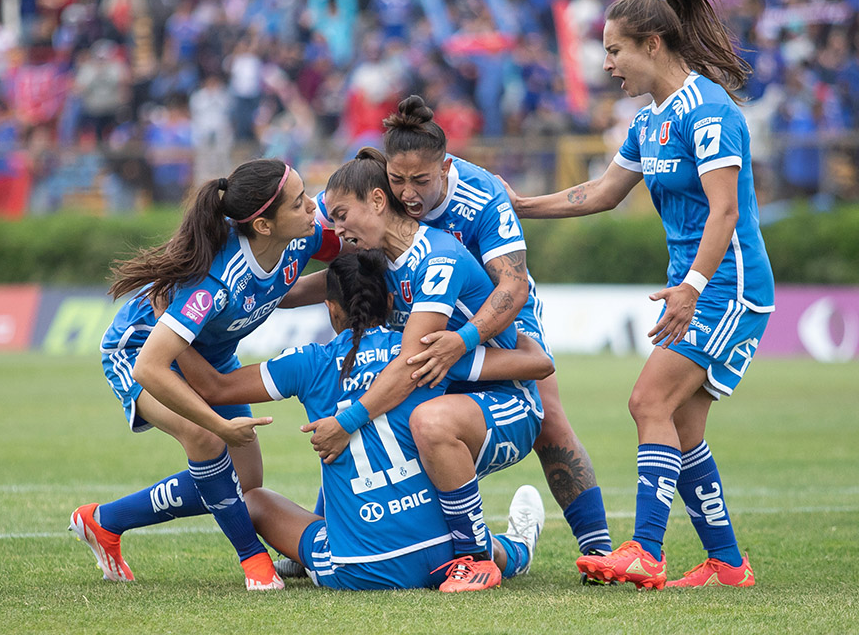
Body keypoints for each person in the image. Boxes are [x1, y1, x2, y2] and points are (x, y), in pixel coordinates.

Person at [505, 0, 774, 590]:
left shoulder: (706, 111)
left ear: (652, 45)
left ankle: (645, 550)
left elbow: (726, 210)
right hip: (700, 288)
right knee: (681, 427)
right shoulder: (652, 120)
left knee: (646, 401)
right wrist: (517, 206)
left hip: (727, 288)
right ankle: (727, 564)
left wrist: (694, 287)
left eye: (614, 50)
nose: (607, 65)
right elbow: (599, 193)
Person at [177, 250, 551, 590]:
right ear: (391, 302)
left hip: (357, 568)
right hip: (444, 555)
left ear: (331, 309)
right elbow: (536, 364)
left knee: (255, 500)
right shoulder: (425, 352)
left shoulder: (308, 362)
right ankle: (513, 549)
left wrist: (172, 326)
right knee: (455, 508)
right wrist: (517, 326)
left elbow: (215, 389)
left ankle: (306, 554)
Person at [352, 95, 614, 574]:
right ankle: (339, 533)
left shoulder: (481, 194)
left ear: (446, 166)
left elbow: (512, 287)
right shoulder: (378, 190)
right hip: (424, 314)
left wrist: (464, 339)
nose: (407, 194)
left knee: (549, 415)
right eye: (397, 179)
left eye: (421, 181)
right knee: (382, 410)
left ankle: (598, 552)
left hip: (496, 314)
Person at [68, 159, 340, 591]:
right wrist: (219, 424)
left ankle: (104, 521)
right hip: (139, 350)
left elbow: (320, 275)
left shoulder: (302, 236)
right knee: (206, 440)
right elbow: (150, 367)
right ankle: (255, 563)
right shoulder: (214, 282)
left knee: (246, 484)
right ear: (264, 226)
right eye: (299, 202)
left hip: (209, 355)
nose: (313, 207)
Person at [308, 149, 544, 592]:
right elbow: (322, 285)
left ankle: (476, 560)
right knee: (382, 422)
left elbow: (413, 366)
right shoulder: (382, 261)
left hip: (505, 405)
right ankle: (513, 548)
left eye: (342, 215)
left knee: (421, 418)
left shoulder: (435, 256)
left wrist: (344, 422)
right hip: (454, 398)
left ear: (378, 201)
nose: (337, 230)